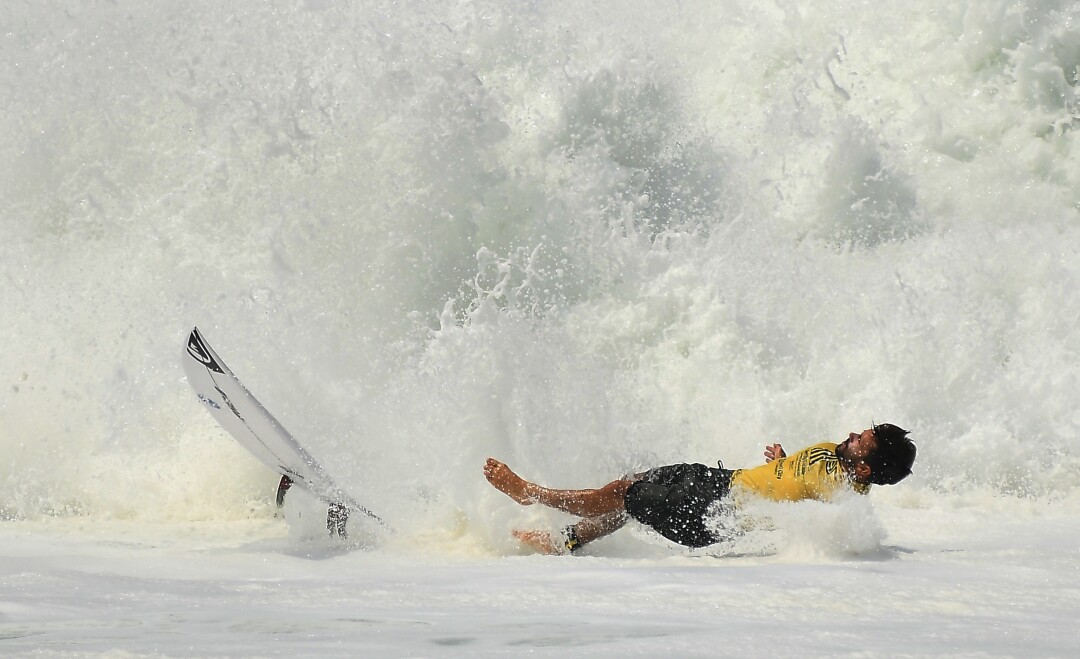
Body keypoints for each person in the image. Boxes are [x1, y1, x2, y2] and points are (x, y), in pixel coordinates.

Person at [483, 423, 916, 554]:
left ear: (865, 469)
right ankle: (567, 541)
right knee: (633, 488)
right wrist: (782, 460)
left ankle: (531, 494)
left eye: (864, 441)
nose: (855, 434)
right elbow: (794, 479)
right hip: (719, 480)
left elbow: (836, 530)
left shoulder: (842, 489)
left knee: (620, 494)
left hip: (715, 511)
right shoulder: (832, 453)